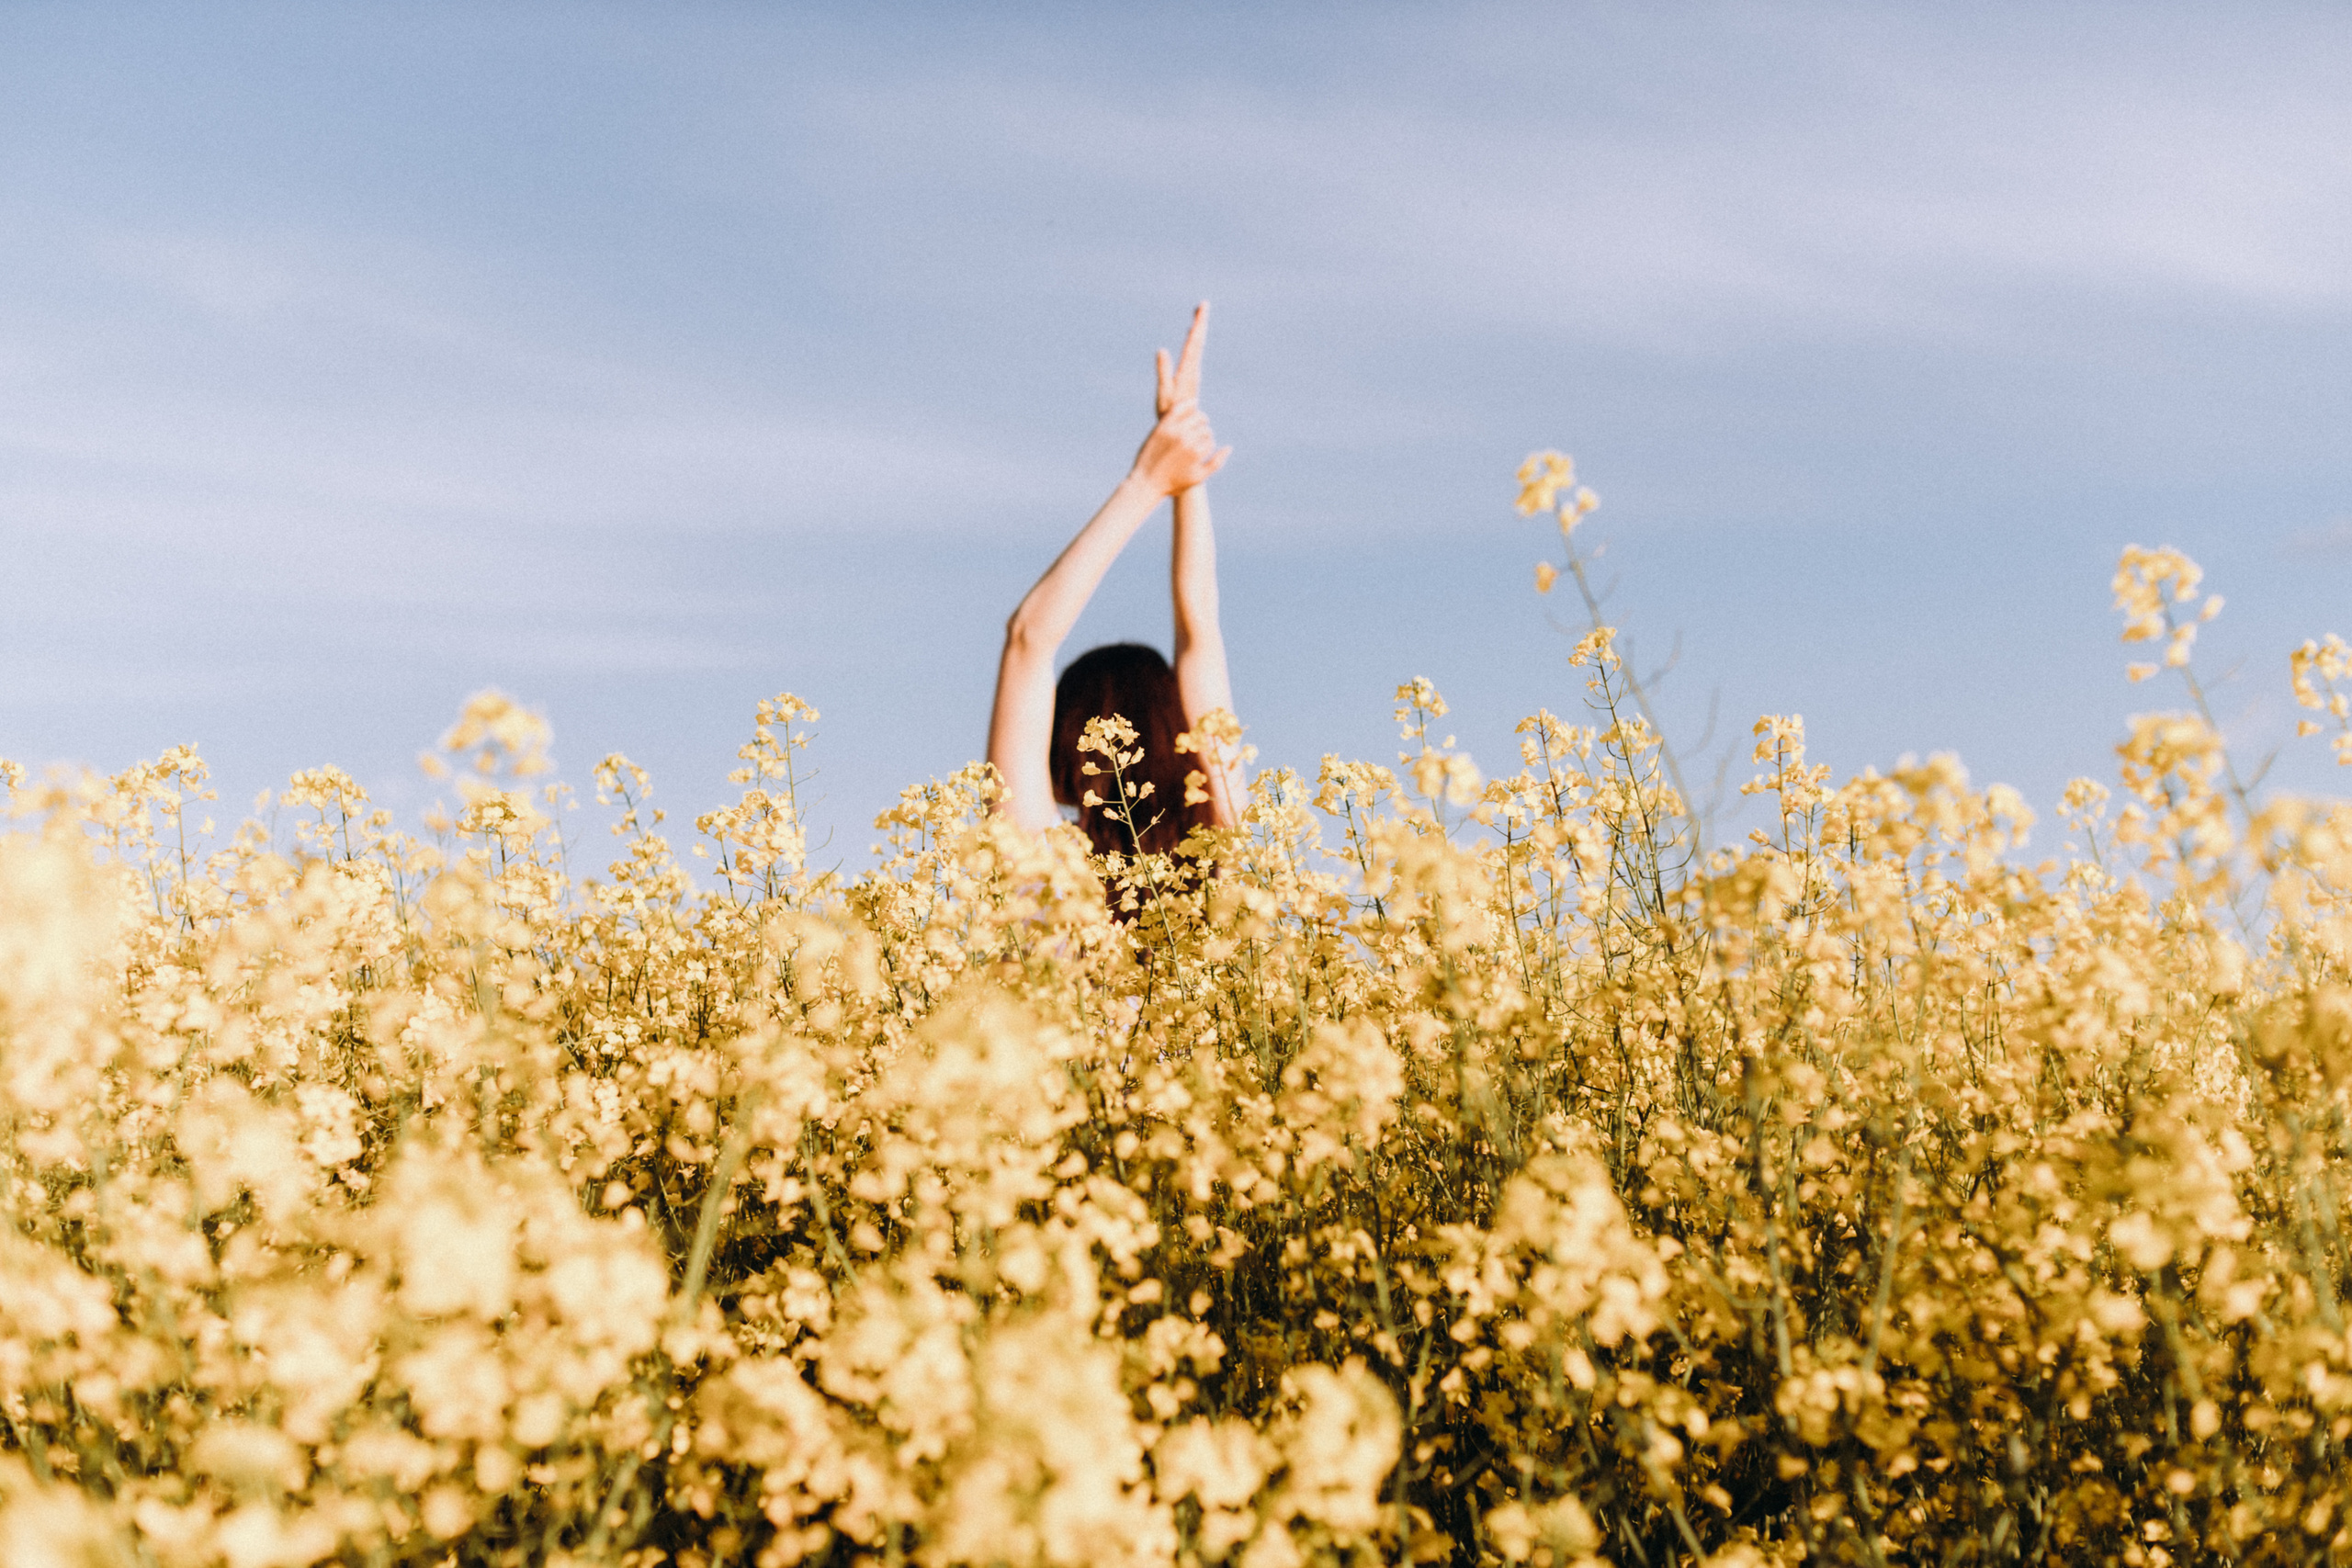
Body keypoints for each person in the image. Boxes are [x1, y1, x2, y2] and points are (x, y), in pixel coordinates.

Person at [987, 304, 1239, 858]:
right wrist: (1185, 472)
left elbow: (1029, 641)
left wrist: (1149, 480)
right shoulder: (1224, 837)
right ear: (1180, 732)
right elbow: (1201, 629)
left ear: (1065, 745)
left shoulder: (1041, 861)